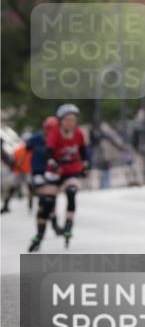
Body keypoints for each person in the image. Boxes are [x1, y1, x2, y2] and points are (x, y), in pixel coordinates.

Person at [44, 104, 89, 249]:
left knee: (71, 192)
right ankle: (54, 221)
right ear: (61, 120)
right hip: (57, 168)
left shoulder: (79, 133)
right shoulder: (55, 133)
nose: (70, 122)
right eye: (67, 119)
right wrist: (51, 161)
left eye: (73, 119)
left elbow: (83, 151)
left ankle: (69, 225)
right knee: (50, 200)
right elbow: (49, 151)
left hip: (72, 167)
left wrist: (86, 165)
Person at [27, 116, 60, 251]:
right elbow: (27, 148)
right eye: (48, 130)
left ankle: (54, 223)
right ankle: (40, 234)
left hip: (52, 173)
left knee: (51, 200)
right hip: (38, 172)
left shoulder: (58, 139)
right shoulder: (36, 138)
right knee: (44, 201)